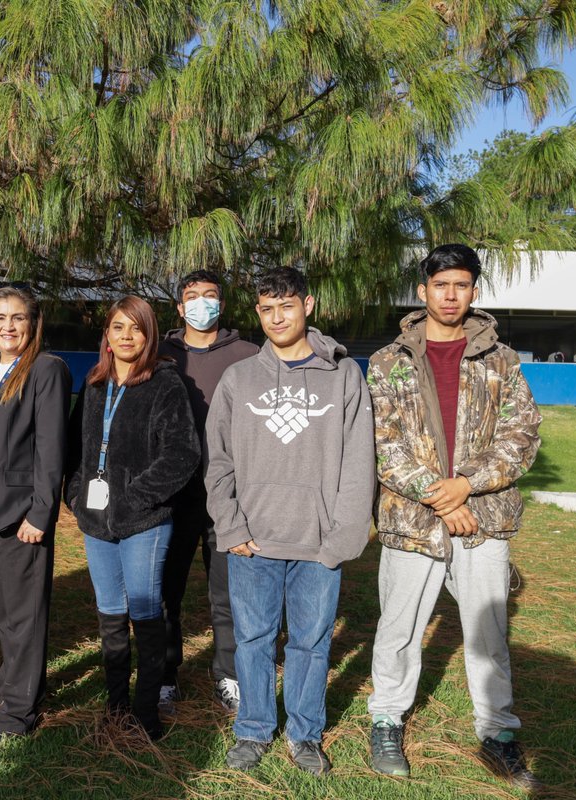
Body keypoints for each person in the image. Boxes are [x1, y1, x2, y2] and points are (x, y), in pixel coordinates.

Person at [365, 244, 542, 790]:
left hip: (482, 519)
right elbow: (382, 442)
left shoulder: (501, 361)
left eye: (461, 285)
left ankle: (497, 733)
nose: (450, 295)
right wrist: (441, 497)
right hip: (410, 521)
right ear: (423, 291)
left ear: (473, 292)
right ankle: (387, 719)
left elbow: (523, 437)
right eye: (440, 285)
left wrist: (466, 487)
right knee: (398, 628)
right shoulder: (387, 361)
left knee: (487, 632)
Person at [205, 266, 374, 775]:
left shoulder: (343, 376)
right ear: (257, 313)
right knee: (253, 641)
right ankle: (254, 729)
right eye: (266, 309)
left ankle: (305, 733)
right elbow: (218, 460)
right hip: (253, 540)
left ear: (309, 306)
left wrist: (341, 538)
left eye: (287, 306)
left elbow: (358, 461)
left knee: (311, 642)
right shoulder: (240, 379)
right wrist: (231, 528)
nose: (278, 318)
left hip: (318, 542)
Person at [65, 295, 200, 743]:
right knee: (109, 614)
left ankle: (146, 712)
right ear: (106, 333)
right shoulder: (95, 382)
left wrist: (133, 499)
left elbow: (182, 456)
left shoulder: (165, 384)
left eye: (135, 328)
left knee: (145, 612)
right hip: (97, 522)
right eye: (117, 327)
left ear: (149, 336)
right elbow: (76, 450)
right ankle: (116, 703)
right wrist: (77, 496)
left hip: (144, 520)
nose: (126, 336)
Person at [0, 285, 71, 746]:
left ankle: (17, 713)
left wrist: (42, 512)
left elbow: (51, 448)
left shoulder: (46, 369)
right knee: (7, 610)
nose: (8, 325)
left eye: (18, 317)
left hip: (23, 509)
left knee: (23, 613)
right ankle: (16, 690)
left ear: (33, 322)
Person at [157, 269, 259, 717]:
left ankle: (229, 674)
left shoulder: (249, 354)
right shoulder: (160, 353)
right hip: (172, 495)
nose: (202, 304)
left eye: (210, 296)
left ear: (223, 303)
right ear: (180, 308)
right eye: (192, 297)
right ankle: (163, 675)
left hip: (230, 495)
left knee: (228, 591)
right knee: (164, 591)